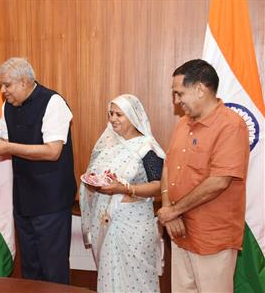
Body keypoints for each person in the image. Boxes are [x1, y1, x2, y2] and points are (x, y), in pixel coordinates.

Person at [157, 59, 250, 292]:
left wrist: (174, 211)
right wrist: (169, 210)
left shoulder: (231, 126)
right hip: (179, 232)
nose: (176, 101)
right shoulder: (182, 124)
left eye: (180, 93)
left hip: (212, 237)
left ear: (200, 89)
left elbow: (219, 181)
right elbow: (168, 167)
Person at [0, 57, 76, 284]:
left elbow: (53, 151)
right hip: (23, 199)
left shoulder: (53, 103)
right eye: (2, 85)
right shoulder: (8, 106)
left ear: (24, 82)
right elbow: (6, 140)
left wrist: (8, 147)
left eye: (7, 85)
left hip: (51, 200)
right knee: (30, 268)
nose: (3, 91)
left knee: (53, 268)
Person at [79, 94, 164, 293]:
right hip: (106, 221)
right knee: (110, 278)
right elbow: (95, 176)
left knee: (137, 280)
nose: (113, 119)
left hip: (133, 224)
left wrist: (125, 189)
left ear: (133, 117)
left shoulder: (146, 147)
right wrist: (92, 184)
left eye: (119, 114)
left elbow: (159, 185)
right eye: (111, 114)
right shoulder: (107, 147)